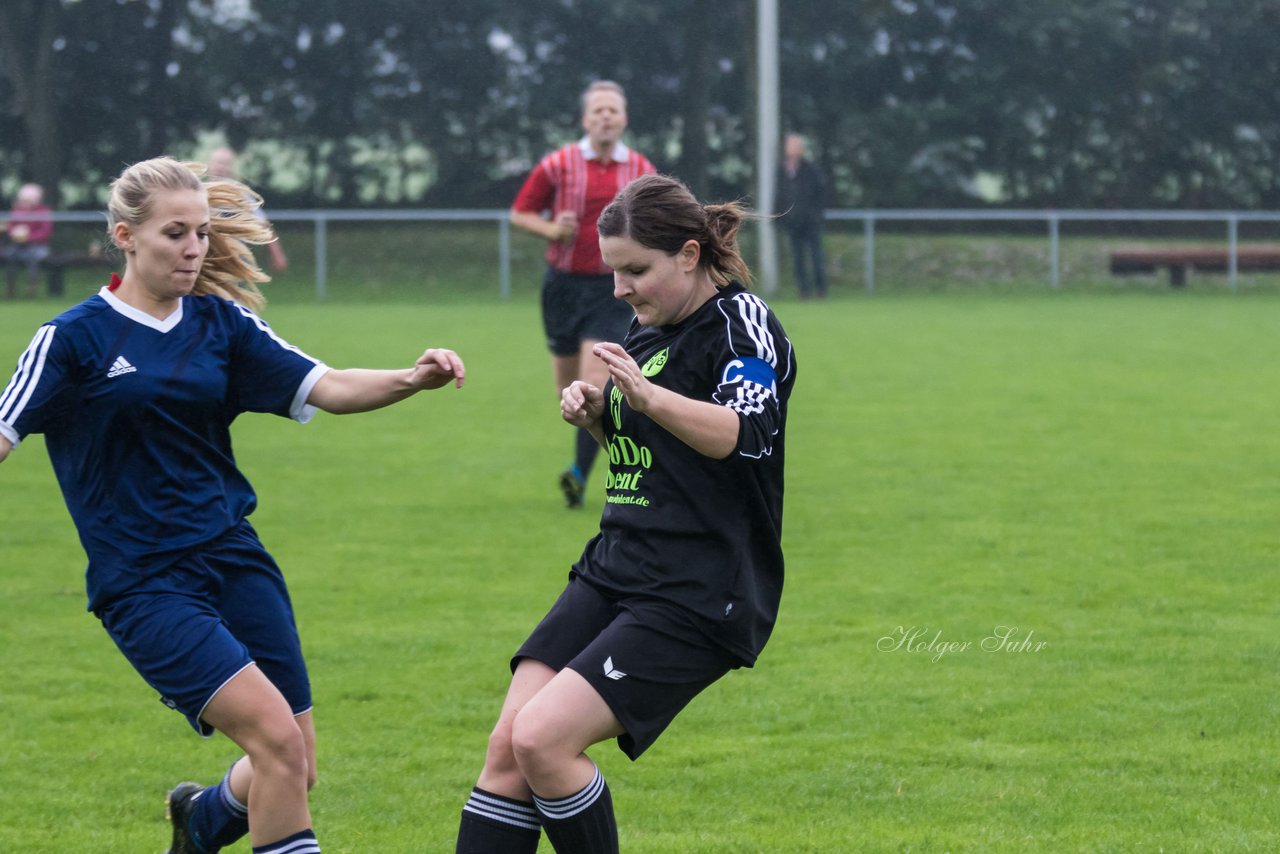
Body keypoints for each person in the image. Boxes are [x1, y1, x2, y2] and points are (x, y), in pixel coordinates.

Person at [0, 156, 465, 854]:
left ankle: (200, 824)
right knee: (276, 743)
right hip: (145, 582)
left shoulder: (221, 325)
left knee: (295, 762)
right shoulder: (71, 339)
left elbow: (330, 385)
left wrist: (414, 377)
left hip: (234, 557)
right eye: (175, 233)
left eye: (202, 234)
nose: (193, 249)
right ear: (126, 236)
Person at [455, 173, 797, 853]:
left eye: (635, 270)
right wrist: (599, 418)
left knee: (545, 740)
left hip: (698, 589)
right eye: (614, 271)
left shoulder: (743, 329)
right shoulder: (645, 331)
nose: (619, 289)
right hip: (616, 566)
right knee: (507, 749)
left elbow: (743, 433)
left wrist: (644, 397)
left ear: (690, 255)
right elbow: (651, 452)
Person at [510, 80, 656, 508]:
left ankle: (580, 474)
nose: (606, 116)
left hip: (612, 289)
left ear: (624, 118)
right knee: (567, 388)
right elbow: (519, 212)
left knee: (597, 380)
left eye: (613, 109)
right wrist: (553, 229)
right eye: (598, 111)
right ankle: (587, 459)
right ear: (585, 119)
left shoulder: (642, 170)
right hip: (562, 287)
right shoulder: (558, 165)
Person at [208, 146, 289, 273]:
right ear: (211, 164)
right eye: (218, 162)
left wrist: (277, 254)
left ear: (231, 166)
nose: (220, 167)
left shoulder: (239, 192)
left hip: (235, 259)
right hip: (208, 259)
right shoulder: (200, 191)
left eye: (225, 163)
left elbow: (263, 223)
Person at [775, 133, 828, 299]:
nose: (791, 149)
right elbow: (779, 194)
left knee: (816, 256)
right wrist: (777, 215)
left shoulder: (811, 169)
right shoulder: (782, 169)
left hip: (811, 221)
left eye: (795, 146)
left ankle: (821, 290)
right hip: (793, 222)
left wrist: (815, 213)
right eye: (789, 146)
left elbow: (821, 192)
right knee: (797, 258)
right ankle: (803, 291)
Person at [2, 182, 54, 298]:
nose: (25, 202)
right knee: (9, 256)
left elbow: (45, 232)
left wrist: (28, 237)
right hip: (19, 245)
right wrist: (15, 234)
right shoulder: (17, 210)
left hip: (38, 245)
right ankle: (10, 288)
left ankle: (32, 287)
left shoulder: (43, 211)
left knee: (33, 258)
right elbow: (11, 227)